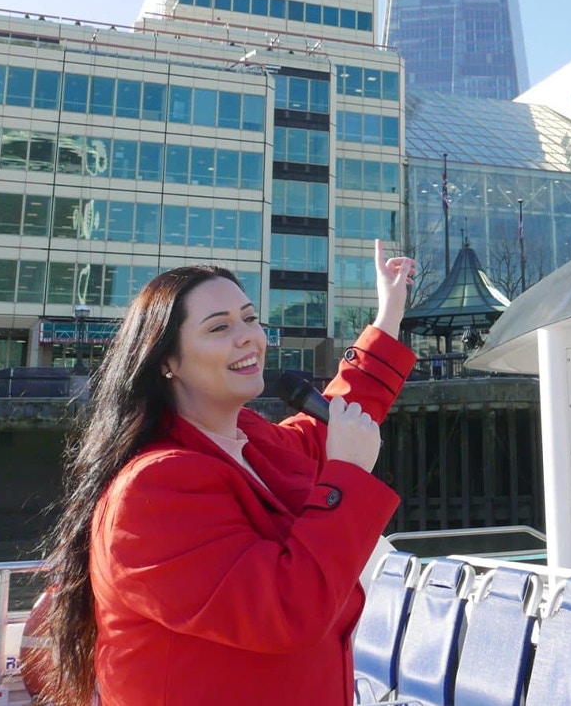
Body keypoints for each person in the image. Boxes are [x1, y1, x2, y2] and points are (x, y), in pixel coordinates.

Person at [41, 240, 417, 706]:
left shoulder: (252, 442)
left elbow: (336, 421)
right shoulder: (151, 489)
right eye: (219, 327)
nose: (248, 337)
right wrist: (346, 476)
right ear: (167, 361)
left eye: (250, 318)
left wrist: (389, 316)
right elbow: (285, 611)